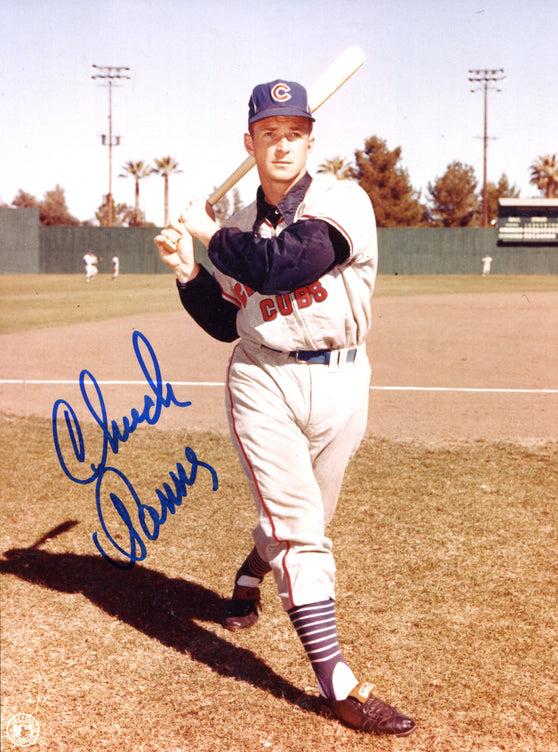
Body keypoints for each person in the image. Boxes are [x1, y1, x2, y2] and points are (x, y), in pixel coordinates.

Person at [154, 79, 415, 737]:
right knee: (303, 529)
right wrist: (190, 268)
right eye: (269, 133)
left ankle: (252, 568)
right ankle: (340, 684)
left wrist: (207, 232)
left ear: (310, 141)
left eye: (294, 132)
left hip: (342, 378)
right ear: (250, 143)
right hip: (262, 381)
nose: (282, 144)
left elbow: (286, 264)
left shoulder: (340, 201)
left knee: (304, 518)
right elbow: (227, 320)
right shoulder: (236, 225)